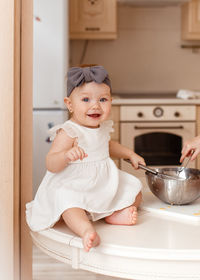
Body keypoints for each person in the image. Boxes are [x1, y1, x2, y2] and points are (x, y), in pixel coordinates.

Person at [26, 65, 145, 252]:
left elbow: (108, 146)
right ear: (70, 104)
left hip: (101, 180)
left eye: (103, 99)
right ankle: (85, 230)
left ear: (111, 102)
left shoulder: (102, 127)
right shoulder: (69, 131)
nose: (95, 105)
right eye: (86, 99)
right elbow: (51, 163)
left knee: (134, 189)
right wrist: (65, 156)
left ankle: (114, 214)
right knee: (68, 202)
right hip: (75, 182)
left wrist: (129, 154)